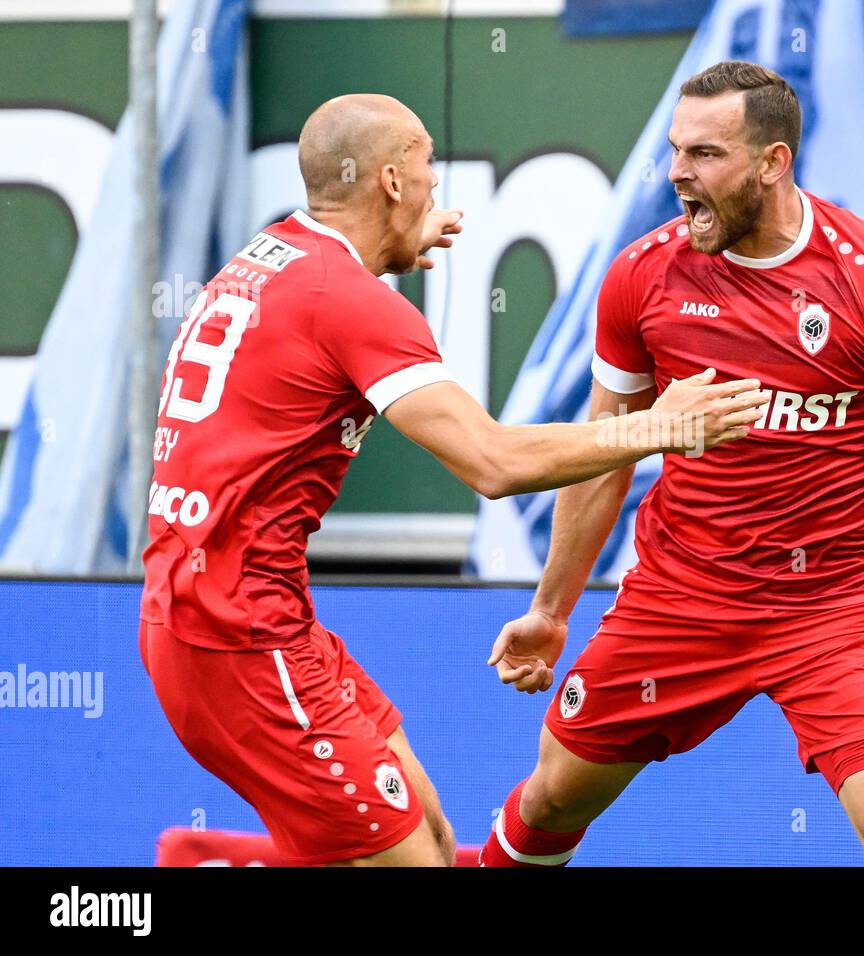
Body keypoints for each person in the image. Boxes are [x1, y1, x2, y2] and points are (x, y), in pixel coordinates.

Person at [139, 93, 765, 868]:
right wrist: (657, 427)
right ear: (393, 181)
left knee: (431, 841)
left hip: (234, 624)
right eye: (428, 162)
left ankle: (208, 855)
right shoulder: (355, 304)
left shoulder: (270, 258)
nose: (438, 182)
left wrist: (384, 245)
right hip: (238, 642)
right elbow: (493, 463)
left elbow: (319, 304)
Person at [480, 62, 864, 867]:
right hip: (683, 597)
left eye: (706, 155)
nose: (678, 172)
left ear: (772, 163)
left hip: (838, 609)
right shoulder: (642, 278)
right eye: (677, 152)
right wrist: (551, 608)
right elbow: (605, 455)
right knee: (550, 798)